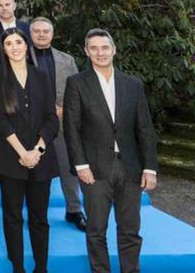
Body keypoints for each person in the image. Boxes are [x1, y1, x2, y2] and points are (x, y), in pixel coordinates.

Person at [63, 28, 158, 273]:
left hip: (131, 168)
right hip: (94, 169)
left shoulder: (133, 84)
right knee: (96, 230)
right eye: (94, 48)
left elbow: (145, 128)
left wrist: (150, 168)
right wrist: (80, 165)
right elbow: (71, 128)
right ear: (86, 52)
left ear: (113, 50)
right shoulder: (76, 83)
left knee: (130, 230)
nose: (100, 53)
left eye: (105, 47)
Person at [0, 28, 59, 273]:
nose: (15, 47)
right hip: (9, 157)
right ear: (3, 49)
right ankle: (17, 265)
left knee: (40, 218)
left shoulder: (41, 75)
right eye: (9, 43)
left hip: (41, 158)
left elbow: (52, 119)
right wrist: (22, 152)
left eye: (18, 42)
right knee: (13, 216)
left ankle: (41, 266)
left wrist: (37, 150)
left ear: (27, 45)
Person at [29, 17, 87, 231]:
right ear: (31, 34)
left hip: (62, 122)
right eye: (37, 31)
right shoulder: (21, 57)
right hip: (33, 124)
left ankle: (74, 210)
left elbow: (77, 89)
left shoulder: (67, 59)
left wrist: (63, 108)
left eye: (46, 31)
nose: (41, 34)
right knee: (34, 169)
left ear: (52, 34)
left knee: (68, 167)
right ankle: (36, 213)